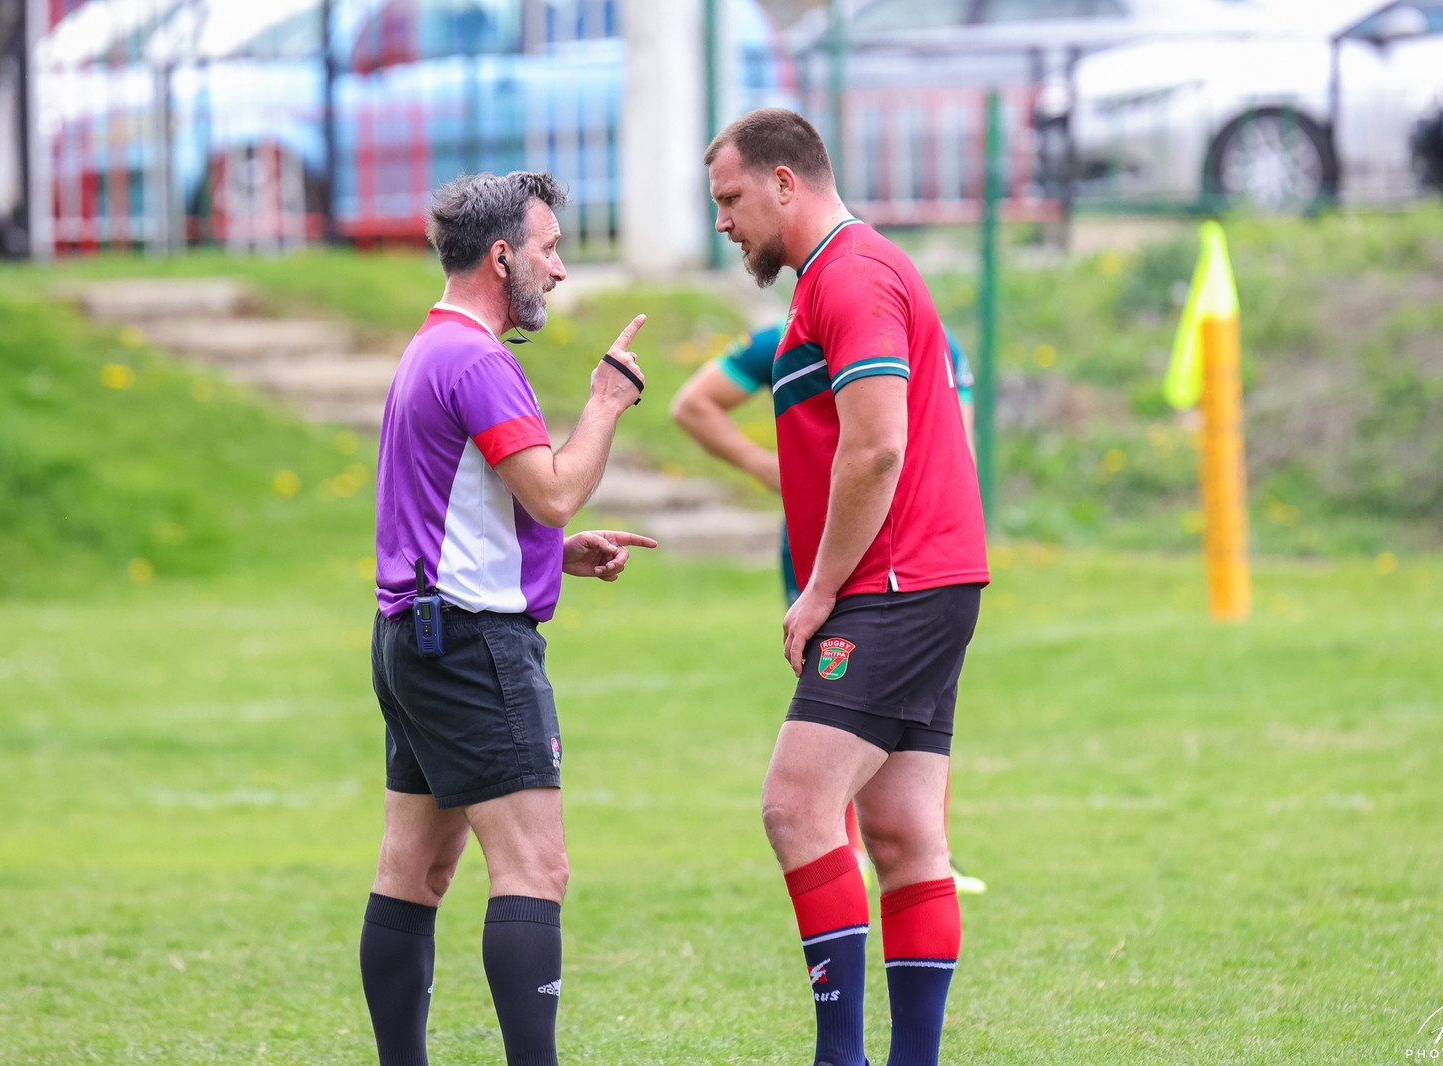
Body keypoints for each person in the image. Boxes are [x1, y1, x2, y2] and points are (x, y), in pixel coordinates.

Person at [704, 109, 989, 1066]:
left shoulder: (853, 273)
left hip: (893, 584)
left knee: (795, 806)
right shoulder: (830, 279)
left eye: (731, 198)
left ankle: (841, 1058)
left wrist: (820, 587)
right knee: (904, 837)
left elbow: (877, 447)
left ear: (786, 183)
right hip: (923, 579)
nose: (723, 221)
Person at [362, 170, 655, 1066]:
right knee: (536, 869)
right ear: (501, 256)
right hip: (470, 645)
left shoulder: (430, 348)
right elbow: (555, 492)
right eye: (549, 248)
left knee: (415, 870)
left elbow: (440, 512)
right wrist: (606, 400)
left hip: (411, 638)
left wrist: (549, 556)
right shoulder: (482, 361)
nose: (558, 269)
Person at [669, 322, 987, 896]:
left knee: (910, 699)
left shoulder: (935, 340)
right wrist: (763, 466)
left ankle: (918, 847)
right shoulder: (785, 339)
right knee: (842, 697)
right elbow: (692, 405)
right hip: (832, 547)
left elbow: (949, 448)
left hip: (909, 554)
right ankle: (856, 847)